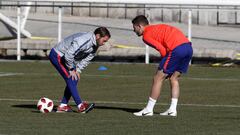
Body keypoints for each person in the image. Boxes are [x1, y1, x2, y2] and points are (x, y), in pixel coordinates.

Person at [132, 15, 193, 117]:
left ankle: (148, 110)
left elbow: (162, 49)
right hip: (188, 48)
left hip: (177, 49)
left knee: (158, 78)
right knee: (174, 78)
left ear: (139, 26)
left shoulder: (146, 35)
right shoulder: (157, 27)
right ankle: (172, 110)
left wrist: (165, 66)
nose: (134, 31)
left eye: (134, 28)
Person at [49, 27, 111, 113]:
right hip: (58, 55)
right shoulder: (84, 40)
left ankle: (63, 106)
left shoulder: (95, 45)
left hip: (67, 58)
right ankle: (80, 106)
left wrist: (78, 70)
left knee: (74, 78)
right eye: (104, 41)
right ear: (97, 36)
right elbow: (69, 54)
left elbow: (86, 59)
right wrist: (71, 69)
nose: (104, 43)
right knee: (70, 78)